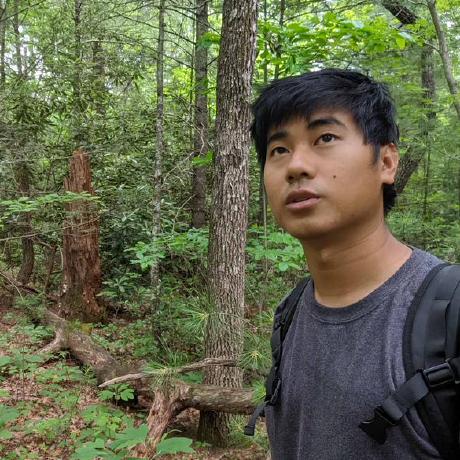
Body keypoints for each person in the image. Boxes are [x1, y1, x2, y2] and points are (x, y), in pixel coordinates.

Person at [251, 69, 444, 459]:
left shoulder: (444, 317)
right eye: (279, 150)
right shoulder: (291, 312)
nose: (296, 166)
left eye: (325, 138)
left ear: (386, 162)